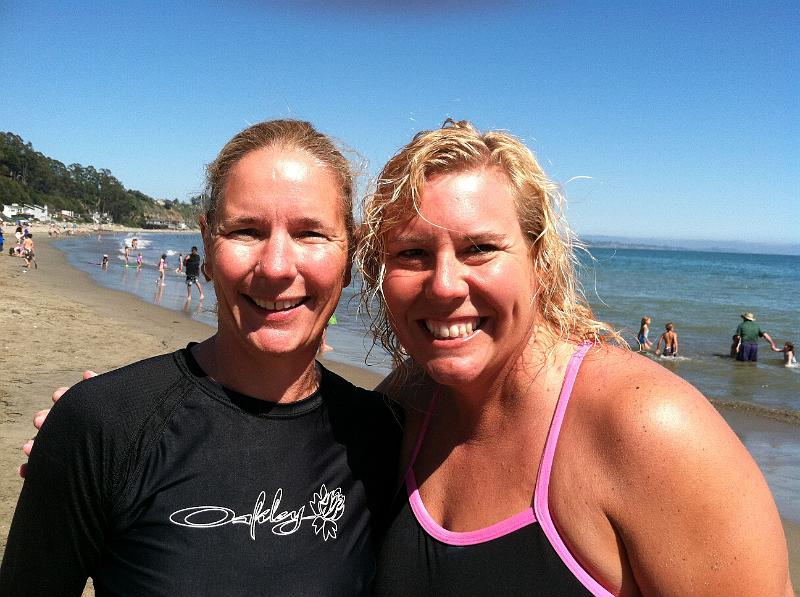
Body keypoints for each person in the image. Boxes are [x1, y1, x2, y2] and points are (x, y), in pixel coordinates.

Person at [356, 120, 791, 596]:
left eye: (479, 249)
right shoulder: (402, 407)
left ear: (539, 260)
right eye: (412, 252)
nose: (443, 285)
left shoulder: (649, 426)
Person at [1, 119, 402, 595]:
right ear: (208, 247)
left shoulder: (385, 438)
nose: (275, 266)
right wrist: (79, 433)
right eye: (246, 231)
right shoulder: (104, 424)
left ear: (349, 255)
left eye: (311, 233)